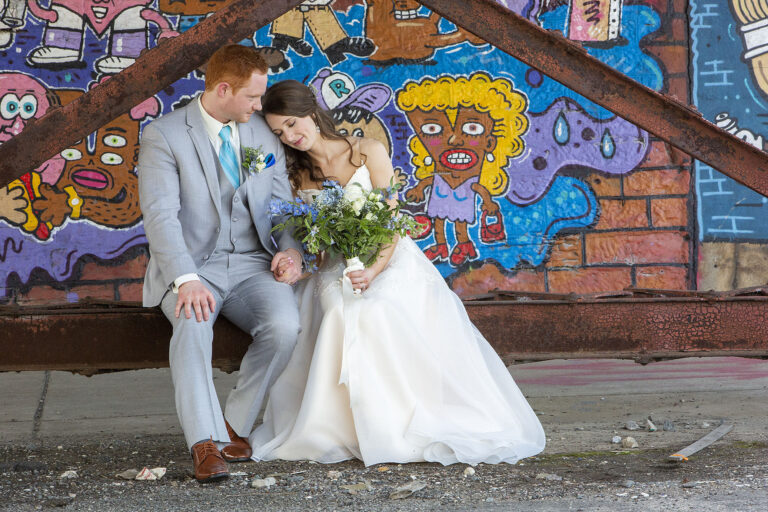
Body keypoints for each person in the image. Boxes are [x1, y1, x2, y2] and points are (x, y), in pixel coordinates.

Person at [248, 79, 546, 466]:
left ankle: (400, 422)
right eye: (279, 132)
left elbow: (390, 221)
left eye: (292, 123)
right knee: (339, 308)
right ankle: (340, 427)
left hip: (389, 257)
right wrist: (300, 266)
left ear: (310, 112)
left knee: (380, 306)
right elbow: (315, 245)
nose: (290, 136)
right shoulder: (297, 176)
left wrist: (373, 270)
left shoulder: (368, 151)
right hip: (338, 264)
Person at [137, 45, 304, 482]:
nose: (259, 105)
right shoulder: (165, 135)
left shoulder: (261, 134)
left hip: (253, 264)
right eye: (252, 97)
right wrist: (185, 279)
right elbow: (160, 215)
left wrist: (292, 252)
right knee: (193, 321)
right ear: (223, 89)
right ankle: (203, 443)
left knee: (286, 326)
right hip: (194, 267)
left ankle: (234, 424)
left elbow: (283, 206)